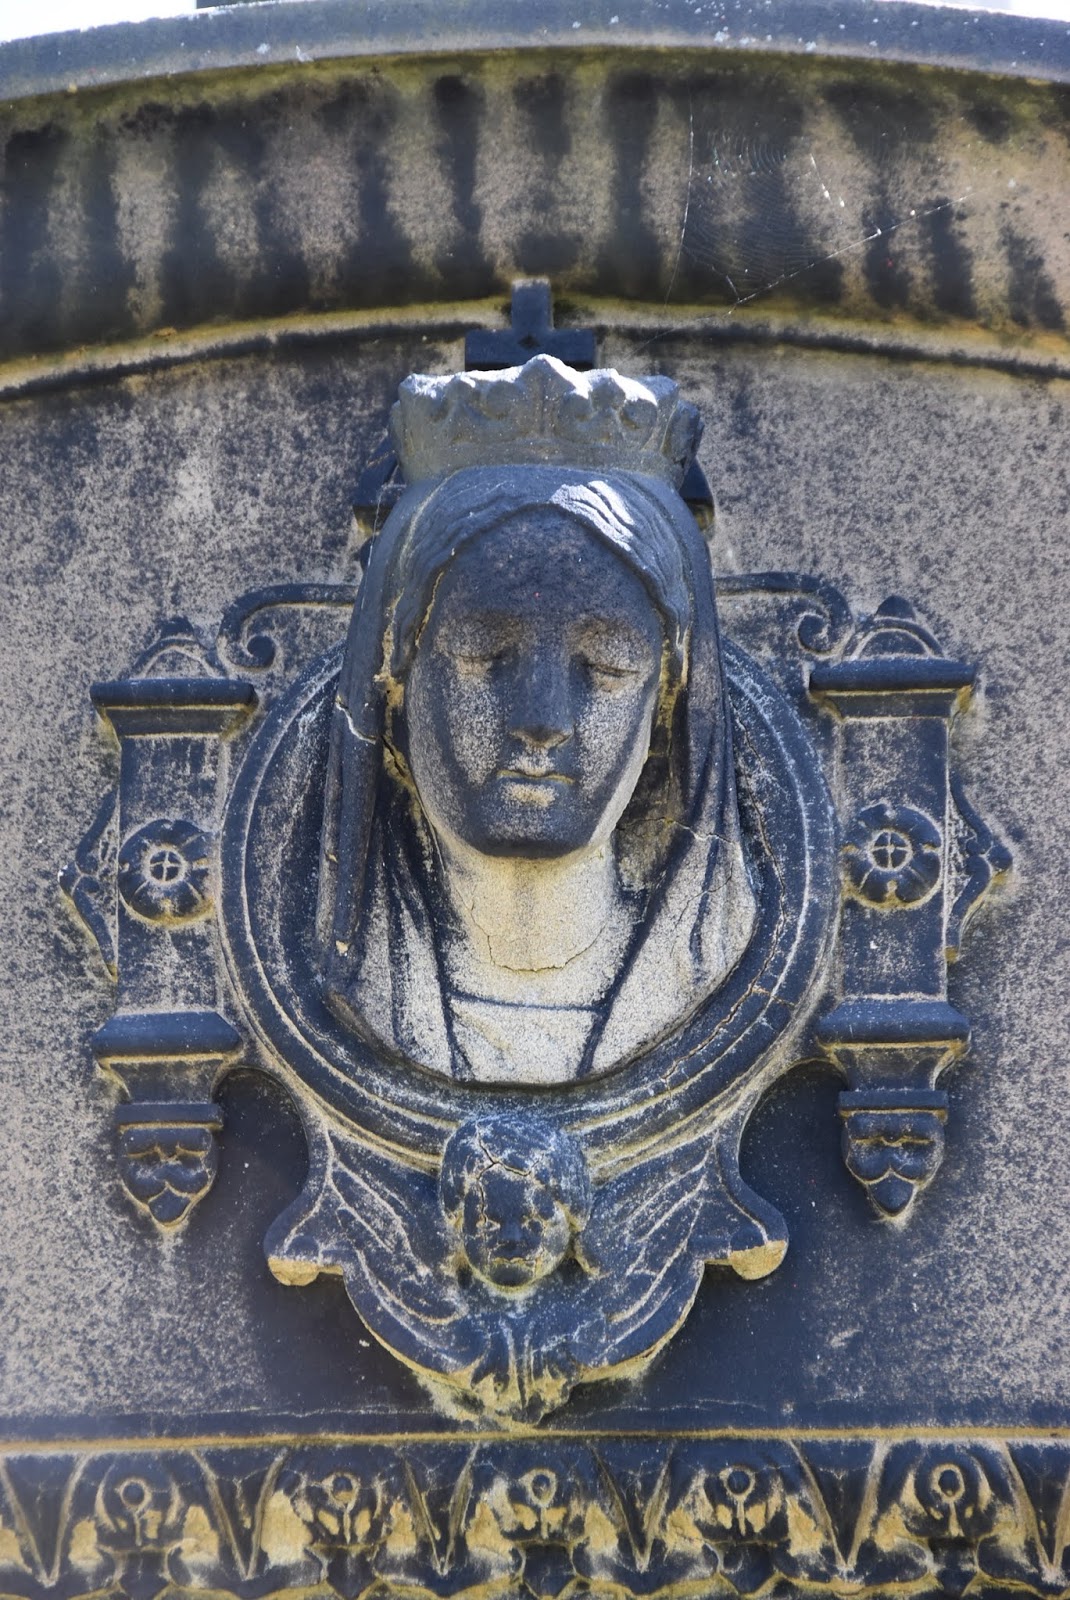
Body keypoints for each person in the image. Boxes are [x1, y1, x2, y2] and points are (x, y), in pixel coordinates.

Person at [316, 359, 756, 1085]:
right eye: (483, 655)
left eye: (608, 666)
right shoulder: (363, 978)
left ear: (666, 699)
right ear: (397, 672)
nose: (543, 719)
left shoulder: (699, 973)